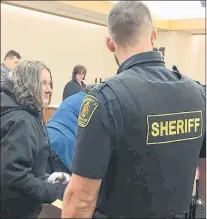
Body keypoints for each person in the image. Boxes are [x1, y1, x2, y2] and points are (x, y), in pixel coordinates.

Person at [62, 1, 206, 218]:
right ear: (154, 36)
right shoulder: (199, 94)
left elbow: (82, 199)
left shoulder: (104, 99)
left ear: (110, 43)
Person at [1, 61, 70, 218]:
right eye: (43, 83)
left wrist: (45, 178)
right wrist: (54, 190)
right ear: (28, 84)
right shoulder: (22, 121)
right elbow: (15, 175)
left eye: (50, 83)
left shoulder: (17, 112)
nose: (49, 89)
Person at [47, 84, 96, 174]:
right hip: (64, 146)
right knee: (64, 184)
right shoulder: (90, 103)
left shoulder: (73, 98)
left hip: (47, 139)